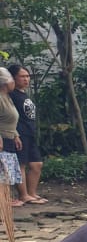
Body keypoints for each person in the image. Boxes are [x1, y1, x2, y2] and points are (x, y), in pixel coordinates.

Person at [10, 63, 45, 203]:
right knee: (21, 164)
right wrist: (14, 133)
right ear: (13, 78)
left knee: (37, 164)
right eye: (22, 76)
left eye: (27, 76)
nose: (26, 79)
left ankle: (32, 193)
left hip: (30, 133)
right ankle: (23, 195)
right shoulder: (11, 94)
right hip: (20, 133)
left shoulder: (24, 93)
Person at [0, 66, 26, 207]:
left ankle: (5, 197)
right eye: (11, 80)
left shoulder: (6, 97)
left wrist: (16, 135)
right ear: (5, 82)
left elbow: (10, 119)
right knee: (2, 171)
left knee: (6, 172)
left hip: (9, 137)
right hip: (2, 139)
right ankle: (2, 199)